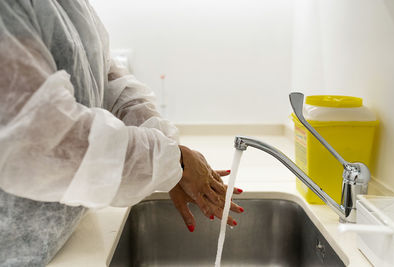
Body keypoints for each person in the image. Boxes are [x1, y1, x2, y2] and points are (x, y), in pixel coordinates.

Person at [0, 1, 244, 266]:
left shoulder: (70, 6)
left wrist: (167, 156)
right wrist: (173, 161)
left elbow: (108, 81)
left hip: (65, 242)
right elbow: (37, 140)